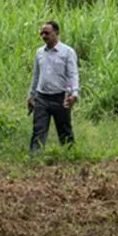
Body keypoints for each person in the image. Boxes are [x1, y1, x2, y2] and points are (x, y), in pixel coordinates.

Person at [28, 21, 79, 155]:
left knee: (64, 130)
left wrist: (74, 94)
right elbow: (36, 75)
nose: (44, 36)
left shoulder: (67, 52)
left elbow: (73, 74)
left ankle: (70, 156)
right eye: (42, 33)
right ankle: (35, 158)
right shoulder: (39, 52)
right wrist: (31, 95)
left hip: (61, 97)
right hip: (42, 97)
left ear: (56, 33)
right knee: (38, 129)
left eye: (47, 33)